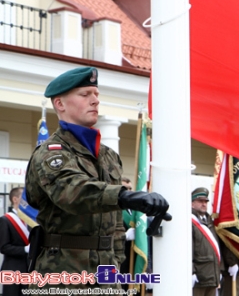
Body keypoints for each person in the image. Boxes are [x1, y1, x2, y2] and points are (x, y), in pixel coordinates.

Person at [25, 67, 169, 289]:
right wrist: (125, 196)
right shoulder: (52, 152)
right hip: (64, 274)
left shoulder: (108, 156)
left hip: (106, 276)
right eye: (85, 95)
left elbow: (115, 223)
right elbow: (73, 191)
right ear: (60, 104)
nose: (95, 101)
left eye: (96, 95)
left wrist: (117, 261)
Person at [192, 187, 222, 296]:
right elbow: (188, 250)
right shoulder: (190, 222)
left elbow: (216, 248)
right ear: (192, 203)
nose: (204, 204)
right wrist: (191, 272)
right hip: (199, 276)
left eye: (205, 201)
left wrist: (219, 270)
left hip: (212, 275)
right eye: (200, 201)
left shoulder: (210, 221)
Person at [0, 187, 29, 296]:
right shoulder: (5, 220)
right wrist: (24, 249)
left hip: (27, 269)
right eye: (24, 197)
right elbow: (4, 247)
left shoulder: (29, 220)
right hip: (12, 269)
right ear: (15, 199)